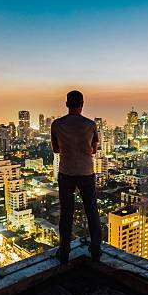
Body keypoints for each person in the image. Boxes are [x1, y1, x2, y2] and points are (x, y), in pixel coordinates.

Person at [51, 90, 101, 264]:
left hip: (66, 173)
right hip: (86, 173)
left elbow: (56, 149)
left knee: (66, 213)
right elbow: (94, 150)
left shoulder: (57, 124)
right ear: (82, 104)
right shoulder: (91, 125)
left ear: (66, 104)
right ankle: (96, 249)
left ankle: (64, 251)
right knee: (92, 212)